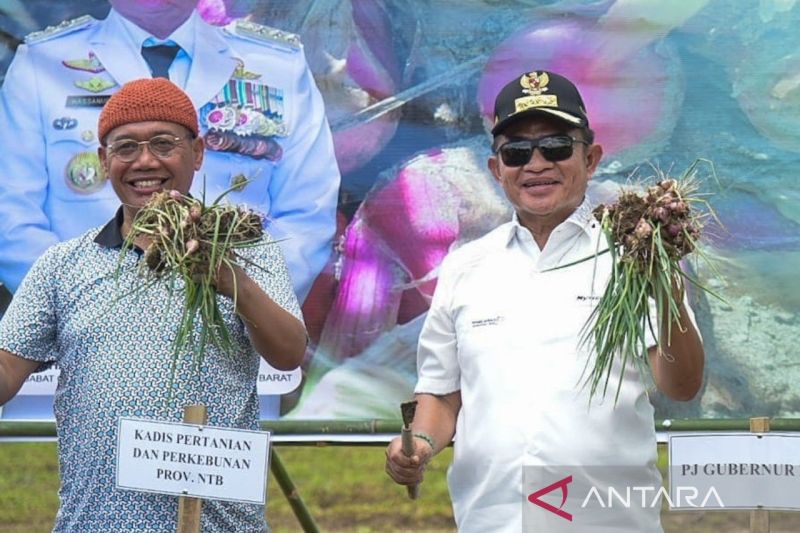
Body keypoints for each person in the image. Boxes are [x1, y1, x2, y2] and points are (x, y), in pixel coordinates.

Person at [384, 70, 705, 532]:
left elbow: (681, 385)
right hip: (490, 520)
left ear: (590, 158)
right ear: (496, 170)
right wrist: (417, 444)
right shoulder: (466, 267)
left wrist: (668, 284)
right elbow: (440, 393)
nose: (536, 164)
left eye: (556, 146)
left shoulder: (633, 258)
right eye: (516, 152)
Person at [0, 78, 307, 532]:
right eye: (125, 147)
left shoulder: (245, 248)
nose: (145, 161)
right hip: (96, 523)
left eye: (164, 143)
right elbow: (6, 372)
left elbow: (288, 352)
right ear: (104, 162)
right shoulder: (65, 264)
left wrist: (226, 277)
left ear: (198, 153)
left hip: (219, 525)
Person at [0, 0, 339, 304]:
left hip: (235, 334)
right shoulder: (43, 63)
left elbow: (307, 212)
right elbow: (11, 213)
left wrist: (237, 304)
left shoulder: (276, 65)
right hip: (79, 332)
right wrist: (86, 312)